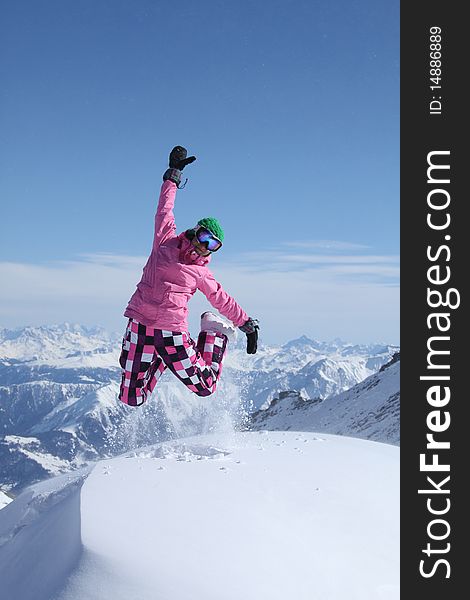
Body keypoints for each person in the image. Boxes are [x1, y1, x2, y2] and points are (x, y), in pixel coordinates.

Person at [118, 146, 259, 407]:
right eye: (205, 238)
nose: (205, 247)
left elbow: (222, 299)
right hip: (140, 324)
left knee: (205, 386)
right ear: (196, 232)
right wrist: (173, 175)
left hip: (172, 332)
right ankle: (159, 359)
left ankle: (215, 334)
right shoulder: (165, 241)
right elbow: (164, 209)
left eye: (214, 245)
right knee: (131, 397)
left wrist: (246, 324)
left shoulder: (201, 272)